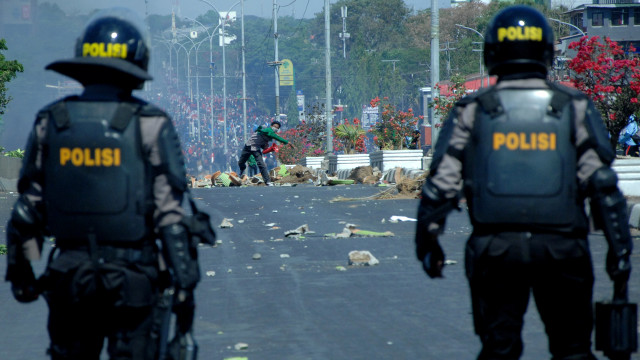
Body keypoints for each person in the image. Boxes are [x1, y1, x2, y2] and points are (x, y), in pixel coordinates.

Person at [414, 6, 632, 360]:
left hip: (495, 247)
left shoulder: (473, 109)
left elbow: (441, 184)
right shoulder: (573, 106)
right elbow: (603, 184)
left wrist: (428, 242)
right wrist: (619, 253)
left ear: (491, 53)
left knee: (499, 348)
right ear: (547, 51)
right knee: (572, 350)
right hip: (563, 247)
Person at [5, 8, 204, 359]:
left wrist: (24, 274)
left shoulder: (52, 121)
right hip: (134, 278)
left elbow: (27, 212)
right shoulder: (150, 123)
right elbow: (170, 215)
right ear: (137, 64)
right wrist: (185, 285)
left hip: (69, 276)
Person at [237, 121, 288, 186]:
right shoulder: (266, 130)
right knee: (241, 162)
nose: (275, 128)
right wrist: (287, 142)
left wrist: (267, 148)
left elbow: (264, 148)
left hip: (256, 149)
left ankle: (268, 181)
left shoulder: (270, 137)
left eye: (277, 128)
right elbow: (277, 137)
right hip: (248, 146)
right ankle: (242, 169)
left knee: (262, 165)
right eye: (274, 126)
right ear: (271, 126)